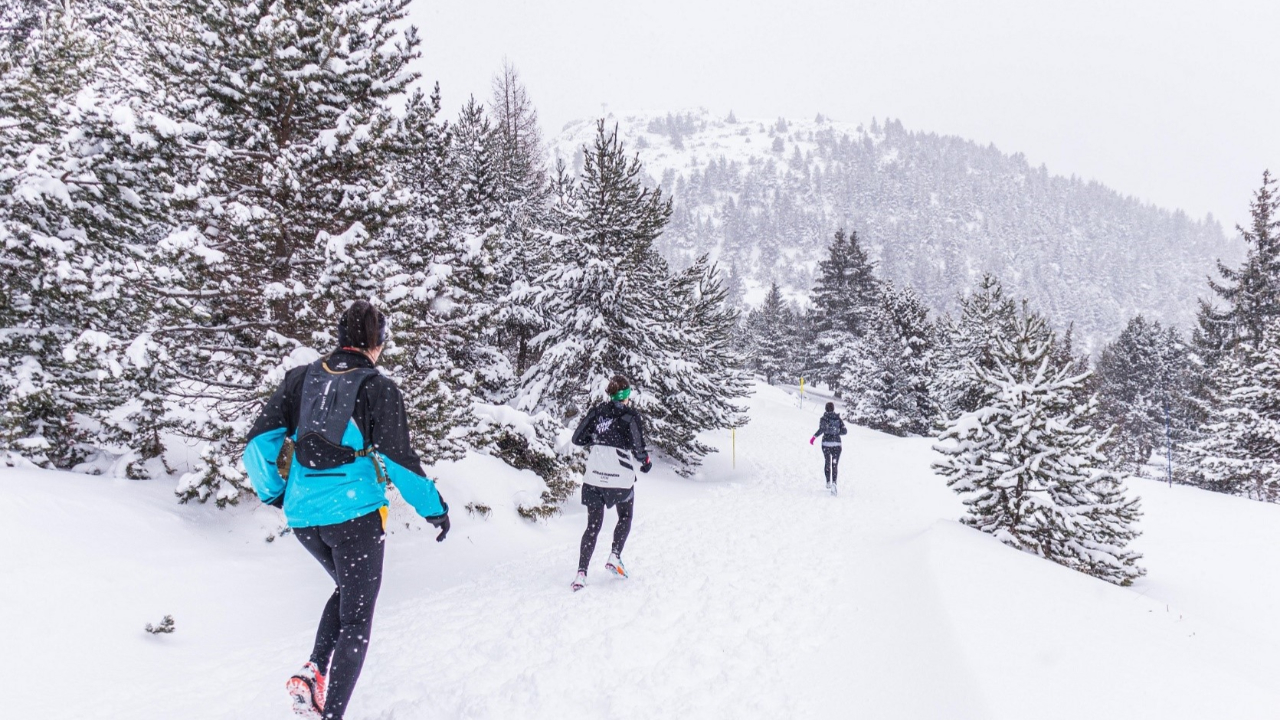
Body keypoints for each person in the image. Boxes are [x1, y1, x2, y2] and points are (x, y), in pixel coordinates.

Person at [242, 300, 450, 720]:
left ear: (340, 338)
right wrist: (434, 509)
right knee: (357, 617)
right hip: (355, 518)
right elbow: (400, 462)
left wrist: (277, 493)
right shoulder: (378, 387)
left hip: (304, 519)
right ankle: (331, 713)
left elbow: (256, 447)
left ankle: (313, 671)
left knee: (347, 592)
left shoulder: (301, 378)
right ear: (378, 343)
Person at [569, 374, 651, 591]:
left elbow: (577, 438)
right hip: (619, 477)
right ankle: (615, 555)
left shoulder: (597, 411)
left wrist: (597, 440)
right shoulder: (630, 416)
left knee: (592, 526)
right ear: (625, 395)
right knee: (625, 515)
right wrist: (646, 462)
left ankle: (581, 574)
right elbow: (639, 447)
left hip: (594, 476)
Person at [810, 401, 848, 494]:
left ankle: (828, 481)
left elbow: (822, 429)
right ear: (833, 409)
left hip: (826, 444)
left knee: (827, 462)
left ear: (825, 409)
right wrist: (836, 432)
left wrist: (814, 437)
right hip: (837, 444)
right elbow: (845, 431)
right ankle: (834, 483)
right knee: (835, 464)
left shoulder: (823, 418)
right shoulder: (838, 419)